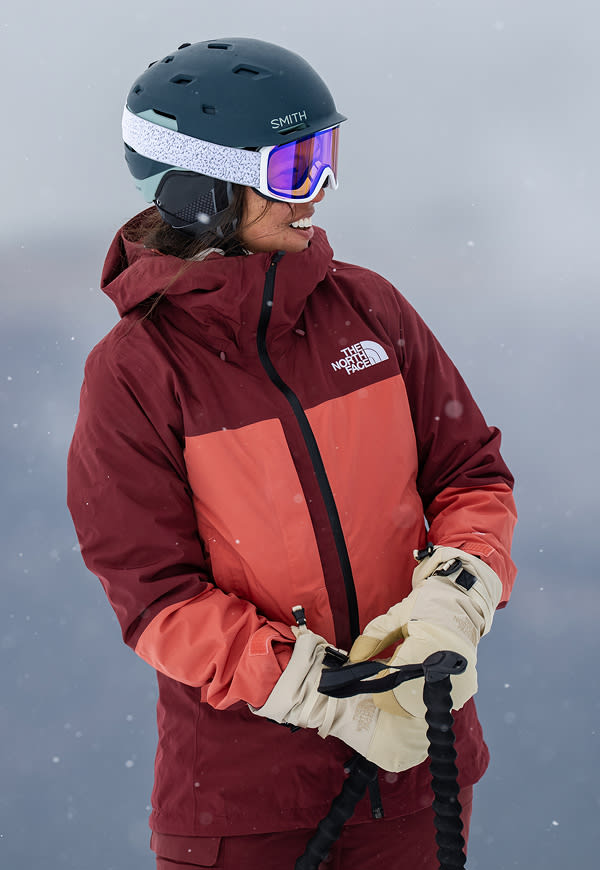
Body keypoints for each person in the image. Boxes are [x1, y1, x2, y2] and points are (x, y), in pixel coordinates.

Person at [67, 37, 517, 870]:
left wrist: (457, 594)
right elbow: (154, 595)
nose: (318, 190)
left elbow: (472, 475)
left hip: (420, 779)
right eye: (293, 168)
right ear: (201, 190)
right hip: (246, 811)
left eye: (325, 157)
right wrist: (314, 688)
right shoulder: (137, 372)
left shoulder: (370, 311)